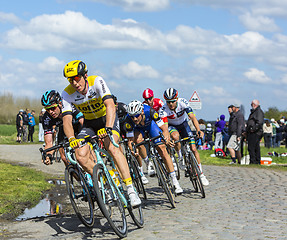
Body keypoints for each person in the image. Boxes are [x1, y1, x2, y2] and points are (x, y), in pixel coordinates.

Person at [62, 60, 141, 207]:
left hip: (107, 118)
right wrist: (72, 138)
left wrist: (109, 128)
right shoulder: (67, 93)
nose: (74, 83)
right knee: (80, 155)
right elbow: (67, 119)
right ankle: (106, 182)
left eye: (76, 78)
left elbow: (110, 105)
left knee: (112, 147)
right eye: (70, 80)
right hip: (90, 124)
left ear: (85, 75)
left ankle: (131, 190)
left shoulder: (96, 81)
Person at [126, 100, 183, 194]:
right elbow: (130, 141)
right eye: (132, 117)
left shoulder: (151, 111)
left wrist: (166, 138)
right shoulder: (128, 120)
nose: (135, 119)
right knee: (138, 141)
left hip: (151, 125)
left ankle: (175, 182)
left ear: (142, 112)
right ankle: (148, 163)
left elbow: (164, 128)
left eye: (137, 115)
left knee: (162, 149)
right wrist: (132, 150)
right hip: (138, 129)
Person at [159, 88, 209, 186]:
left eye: (173, 101)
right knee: (175, 136)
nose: (171, 104)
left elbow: (193, 117)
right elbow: (164, 126)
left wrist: (198, 130)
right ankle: (180, 156)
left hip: (183, 125)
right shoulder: (164, 109)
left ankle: (201, 175)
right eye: (168, 102)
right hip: (172, 127)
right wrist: (167, 138)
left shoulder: (183, 103)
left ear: (177, 99)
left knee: (194, 149)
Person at [41, 90, 84, 167]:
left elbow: (82, 121)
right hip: (64, 129)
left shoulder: (69, 106)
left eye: (53, 108)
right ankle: (78, 176)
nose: (51, 112)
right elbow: (49, 142)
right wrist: (48, 155)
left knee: (80, 153)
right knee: (64, 157)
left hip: (79, 126)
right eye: (47, 109)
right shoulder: (46, 118)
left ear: (60, 103)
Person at [246, 99, 264, 164]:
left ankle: (254, 161)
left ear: (254, 104)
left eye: (251, 104)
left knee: (252, 148)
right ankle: (255, 161)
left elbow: (259, 122)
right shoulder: (254, 112)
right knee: (254, 147)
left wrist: (252, 129)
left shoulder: (258, 112)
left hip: (255, 132)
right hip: (253, 132)